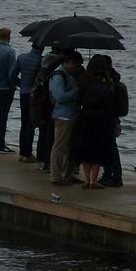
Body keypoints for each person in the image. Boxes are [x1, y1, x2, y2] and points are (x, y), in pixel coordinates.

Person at [76, 55, 116, 189]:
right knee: (98, 149)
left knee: (86, 148)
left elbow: (79, 99)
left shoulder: (85, 80)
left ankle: (87, 180)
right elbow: (111, 103)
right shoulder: (107, 83)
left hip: (86, 117)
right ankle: (94, 180)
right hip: (102, 119)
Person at [49, 51, 83, 185]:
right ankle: (56, 176)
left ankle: (67, 174)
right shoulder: (59, 76)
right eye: (75, 65)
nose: (76, 68)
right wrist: (76, 92)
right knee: (59, 147)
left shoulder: (70, 74)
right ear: (68, 62)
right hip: (63, 116)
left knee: (70, 147)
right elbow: (59, 96)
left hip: (72, 114)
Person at [98, 55, 128, 187]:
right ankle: (114, 175)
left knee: (108, 148)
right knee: (112, 147)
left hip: (105, 118)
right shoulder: (116, 80)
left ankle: (110, 175)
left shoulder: (106, 82)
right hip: (114, 118)